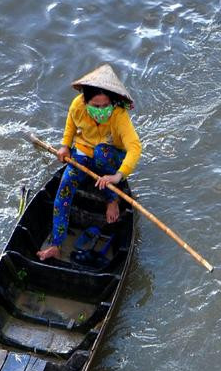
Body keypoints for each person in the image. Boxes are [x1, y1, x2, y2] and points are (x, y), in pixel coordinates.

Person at [37, 63, 142, 262]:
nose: (101, 111)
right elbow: (71, 123)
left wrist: (117, 176)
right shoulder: (77, 105)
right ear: (86, 102)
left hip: (110, 156)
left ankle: (113, 198)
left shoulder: (119, 115)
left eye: (105, 106)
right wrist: (65, 145)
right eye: (96, 106)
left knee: (102, 152)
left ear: (112, 103)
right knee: (65, 187)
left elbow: (135, 147)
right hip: (83, 154)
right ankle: (56, 245)